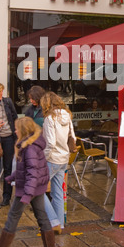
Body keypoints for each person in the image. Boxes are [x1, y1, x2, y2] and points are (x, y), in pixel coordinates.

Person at [0, 117, 56, 247]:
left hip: (28, 189)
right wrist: (12, 177)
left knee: (13, 216)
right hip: (37, 188)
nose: (14, 130)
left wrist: (27, 195)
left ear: (23, 131)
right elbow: (27, 169)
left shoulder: (29, 148)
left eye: (16, 128)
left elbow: (32, 174)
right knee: (42, 218)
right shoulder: (32, 145)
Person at [40, 92, 76, 234]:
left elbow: (50, 142)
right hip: (64, 158)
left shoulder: (50, 118)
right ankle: (60, 224)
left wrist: (43, 157)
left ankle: (54, 221)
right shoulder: (67, 115)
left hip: (52, 158)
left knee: (37, 190)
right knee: (58, 192)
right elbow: (72, 137)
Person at [0, 82, 18, 208]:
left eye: (2, 91)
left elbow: (15, 117)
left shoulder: (7, 102)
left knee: (8, 168)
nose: (1, 94)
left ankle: (6, 197)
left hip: (9, 138)